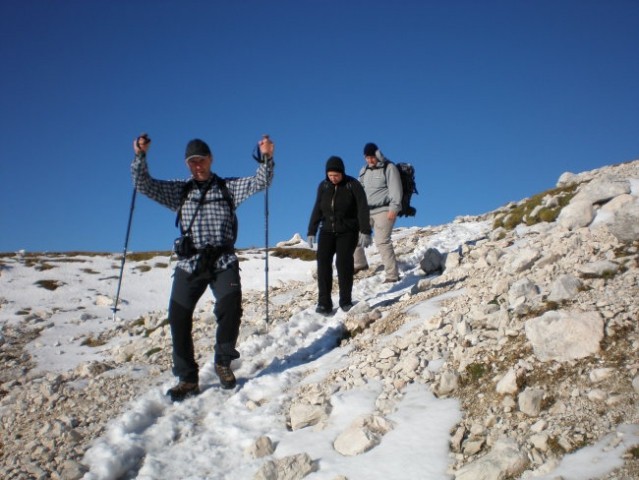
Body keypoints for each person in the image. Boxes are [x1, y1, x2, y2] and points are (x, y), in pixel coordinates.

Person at [131, 133, 275, 401]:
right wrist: (140, 156)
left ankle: (223, 361)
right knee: (178, 316)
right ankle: (187, 379)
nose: (197, 166)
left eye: (201, 160)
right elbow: (144, 186)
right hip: (190, 263)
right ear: (187, 164)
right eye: (192, 162)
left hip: (223, 260)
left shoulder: (227, 188)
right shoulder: (179, 191)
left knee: (230, 308)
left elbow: (260, 181)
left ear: (210, 159)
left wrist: (267, 156)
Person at [307, 156, 371, 315]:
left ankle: (345, 301)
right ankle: (324, 303)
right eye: (330, 175)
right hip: (327, 231)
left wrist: (365, 230)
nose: (333, 178)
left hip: (347, 231)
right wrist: (311, 230)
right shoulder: (323, 186)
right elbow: (317, 208)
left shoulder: (352, 185)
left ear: (342, 172)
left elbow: (363, 208)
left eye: (336, 175)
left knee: (343, 263)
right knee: (322, 263)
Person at [353, 142, 402, 283]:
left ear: (378, 154)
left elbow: (396, 189)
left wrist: (394, 208)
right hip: (366, 211)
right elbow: (359, 190)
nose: (370, 160)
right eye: (367, 158)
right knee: (353, 235)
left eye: (372, 157)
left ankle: (392, 275)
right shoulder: (364, 171)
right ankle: (360, 263)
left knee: (382, 241)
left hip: (385, 210)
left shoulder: (389, 167)